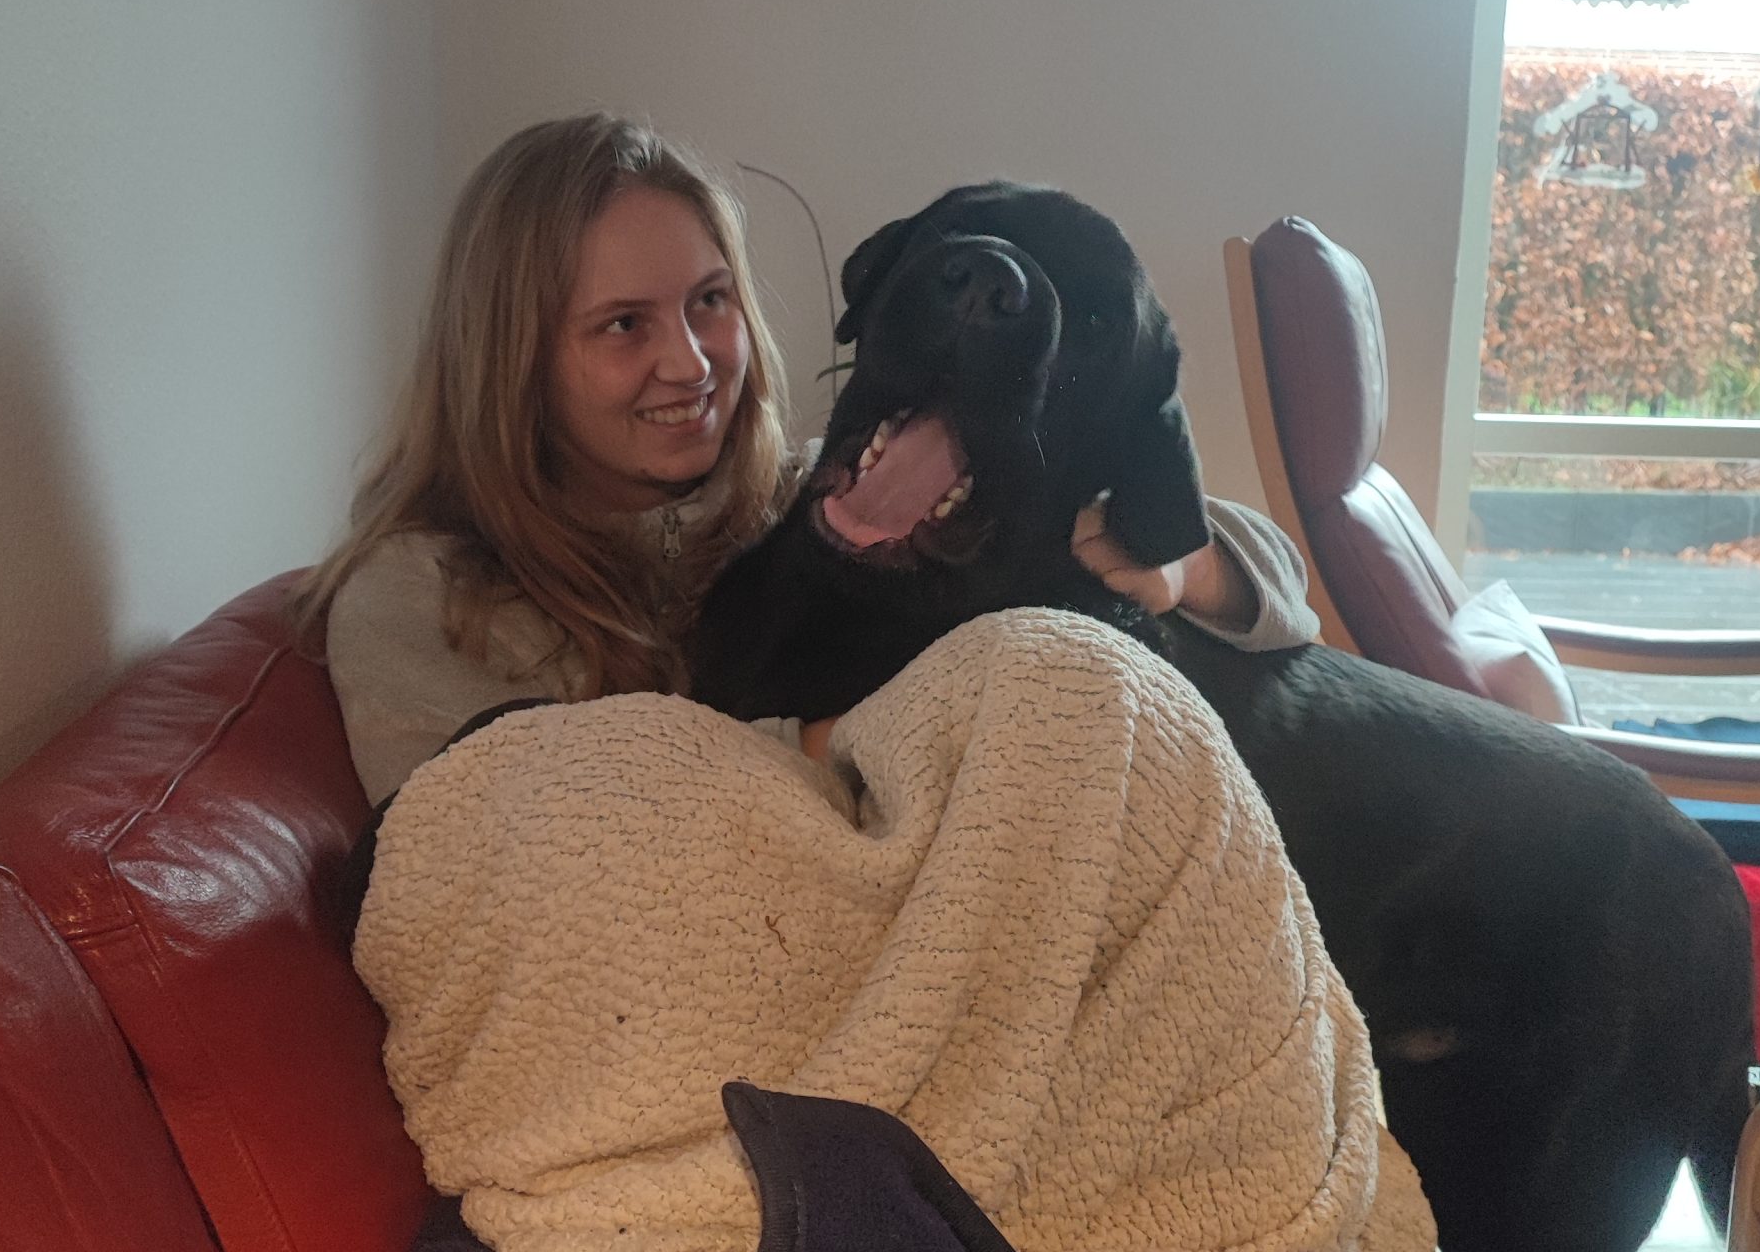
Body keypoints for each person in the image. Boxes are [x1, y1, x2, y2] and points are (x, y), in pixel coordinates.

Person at [298, 115, 1319, 806]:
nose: (690, 363)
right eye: (622, 324)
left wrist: (1180, 564)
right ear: (507, 355)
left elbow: (1279, 577)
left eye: (710, 301)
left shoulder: (814, 496)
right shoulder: (421, 593)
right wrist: (886, 735)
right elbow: (461, 854)